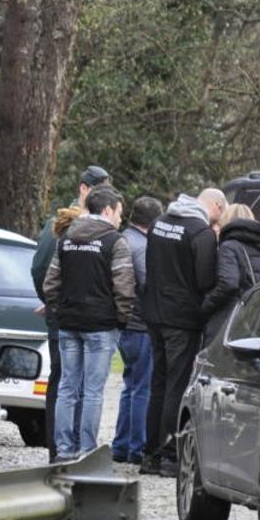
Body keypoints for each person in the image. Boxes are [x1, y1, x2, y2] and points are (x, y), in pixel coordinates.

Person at [41, 185, 135, 462]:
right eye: (119, 212)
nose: (120, 218)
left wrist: (61, 310)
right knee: (93, 391)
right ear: (107, 209)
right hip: (101, 326)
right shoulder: (114, 241)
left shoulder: (66, 238)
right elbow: (124, 286)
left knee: (67, 388)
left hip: (69, 324)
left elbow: (50, 284)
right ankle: (87, 449)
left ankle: (64, 449)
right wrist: (121, 319)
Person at [140, 188, 224, 476]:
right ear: (214, 205)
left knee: (158, 383)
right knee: (176, 385)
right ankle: (169, 454)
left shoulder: (160, 222)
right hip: (181, 318)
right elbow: (205, 279)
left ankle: (149, 454)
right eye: (220, 212)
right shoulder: (200, 233)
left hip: (153, 312)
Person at [30, 164, 111, 461]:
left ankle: (67, 448)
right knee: (65, 381)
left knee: (72, 383)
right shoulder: (62, 225)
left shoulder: (83, 226)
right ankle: (61, 448)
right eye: (98, 191)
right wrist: (54, 302)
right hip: (67, 317)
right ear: (83, 189)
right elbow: (40, 269)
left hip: (69, 315)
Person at [110, 195, 163, 465]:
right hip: (140, 324)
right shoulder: (142, 247)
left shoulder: (123, 239)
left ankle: (120, 445)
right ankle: (136, 447)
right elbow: (147, 283)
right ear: (153, 222)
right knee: (143, 388)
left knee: (130, 386)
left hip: (125, 324)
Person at [202, 203, 260, 346]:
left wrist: (206, 305)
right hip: (258, 318)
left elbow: (229, 283)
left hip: (231, 316)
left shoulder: (229, 246)